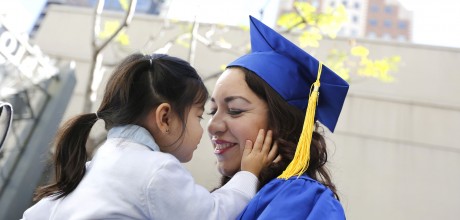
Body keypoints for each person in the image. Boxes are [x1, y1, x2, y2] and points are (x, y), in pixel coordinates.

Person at [21, 53, 277, 220]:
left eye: (234, 111)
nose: (209, 128)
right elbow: (214, 214)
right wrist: (248, 175)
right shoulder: (156, 169)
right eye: (200, 116)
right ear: (165, 118)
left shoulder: (91, 168)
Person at [207, 16, 349, 219]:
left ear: (281, 122)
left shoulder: (302, 199)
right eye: (212, 111)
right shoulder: (226, 200)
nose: (213, 126)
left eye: (235, 110)